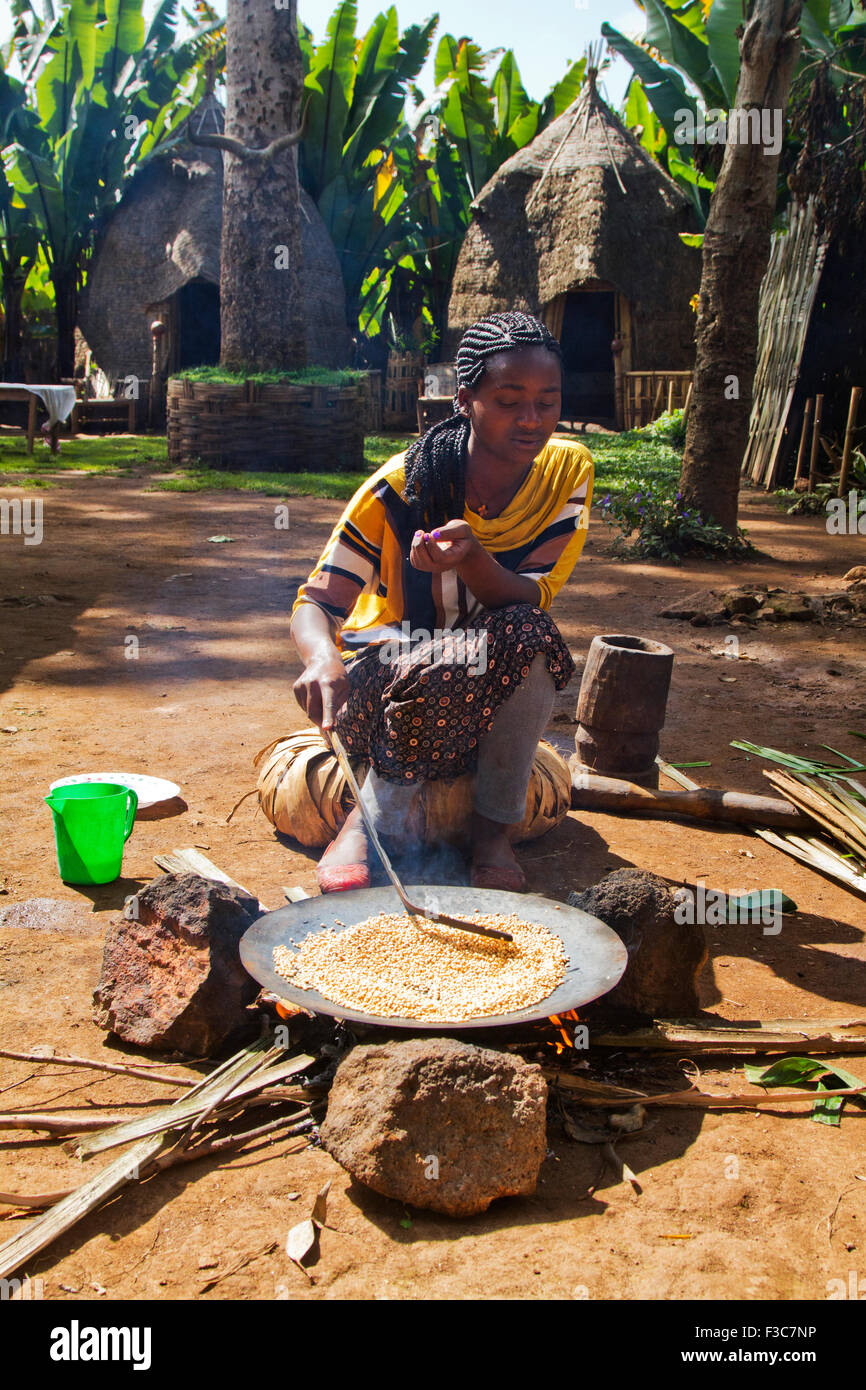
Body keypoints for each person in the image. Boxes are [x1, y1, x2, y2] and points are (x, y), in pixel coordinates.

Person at [291, 311, 593, 893]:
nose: (531, 420)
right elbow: (318, 601)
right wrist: (321, 659)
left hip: (484, 686)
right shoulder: (401, 488)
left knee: (531, 633)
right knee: (449, 655)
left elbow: (530, 596)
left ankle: (491, 832)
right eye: (509, 400)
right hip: (380, 690)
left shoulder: (564, 474)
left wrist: (472, 559)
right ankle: (367, 819)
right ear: (465, 400)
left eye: (547, 401)